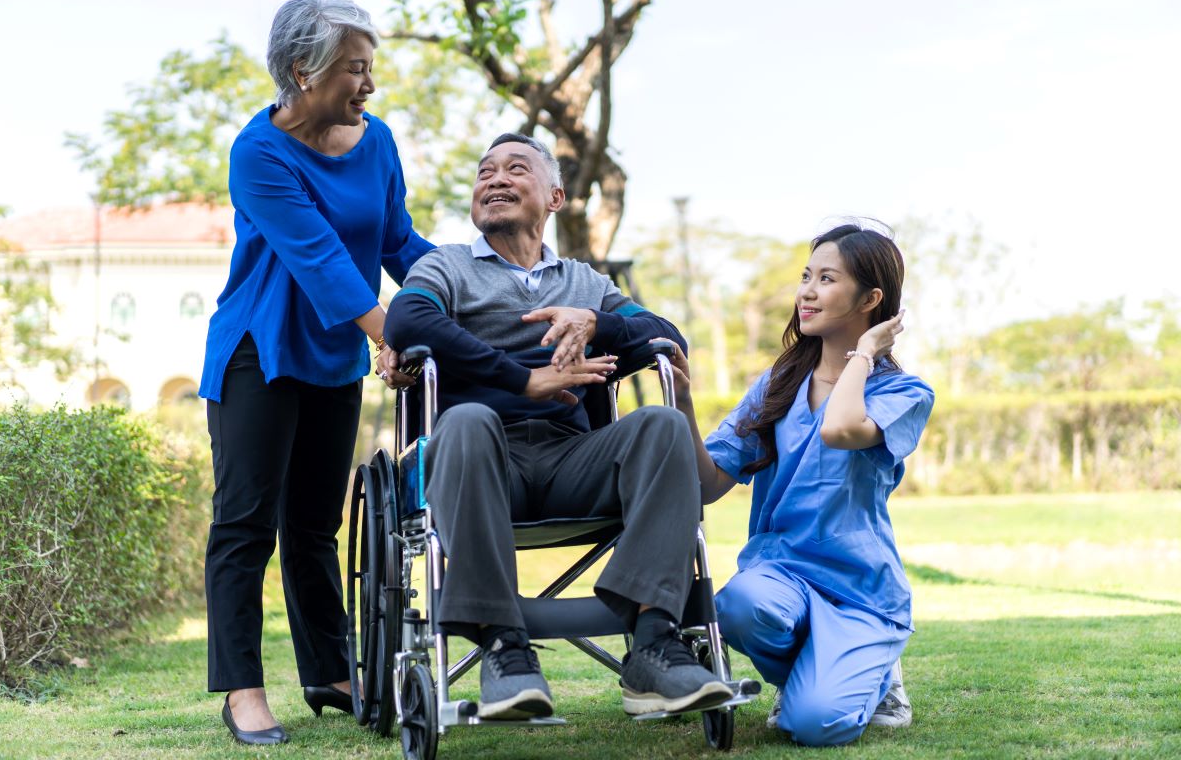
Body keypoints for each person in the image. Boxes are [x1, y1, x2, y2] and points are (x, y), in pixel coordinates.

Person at [380, 132, 734, 720]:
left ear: (555, 197)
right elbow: (409, 317)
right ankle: (503, 648)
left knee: (662, 425)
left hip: (574, 459)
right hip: (482, 463)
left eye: (515, 169)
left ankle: (653, 645)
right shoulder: (446, 266)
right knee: (466, 420)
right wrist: (524, 381)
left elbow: (666, 335)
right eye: (484, 171)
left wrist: (595, 321)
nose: (494, 179)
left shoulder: (584, 281)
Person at [198, 0, 434, 745]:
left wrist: (465, 288)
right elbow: (321, 263)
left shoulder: (379, 141)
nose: (369, 85)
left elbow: (397, 240)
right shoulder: (259, 153)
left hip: (332, 356)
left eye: (370, 68)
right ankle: (241, 691)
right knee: (245, 525)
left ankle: (328, 672)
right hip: (258, 353)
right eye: (355, 69)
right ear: (303, 71)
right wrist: (387, 333)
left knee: (313, 526)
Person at [665, 223, 933, 747]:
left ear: (870, 299)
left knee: (816, 726)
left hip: (859, 591)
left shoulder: (905, 392)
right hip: (780, 575)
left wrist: (863, 354)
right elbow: (708, 484)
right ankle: (811, 676)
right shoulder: (777, 385)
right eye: (806, 276)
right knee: (738, 605)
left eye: (826, 279)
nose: (806, 291)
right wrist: (684, 406)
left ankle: (879, 680)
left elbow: (839, 429)